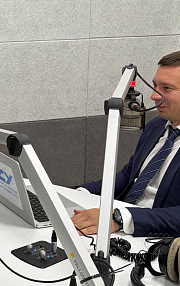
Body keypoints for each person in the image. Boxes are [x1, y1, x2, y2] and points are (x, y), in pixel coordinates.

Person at [73, 51, 180, 237]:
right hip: (124, 227)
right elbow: (129, 176)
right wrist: (80, 194)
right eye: (155, 86)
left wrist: (119, 218)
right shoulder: (157, 126)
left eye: (166, 88)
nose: (154, 96)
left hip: (158, 238)